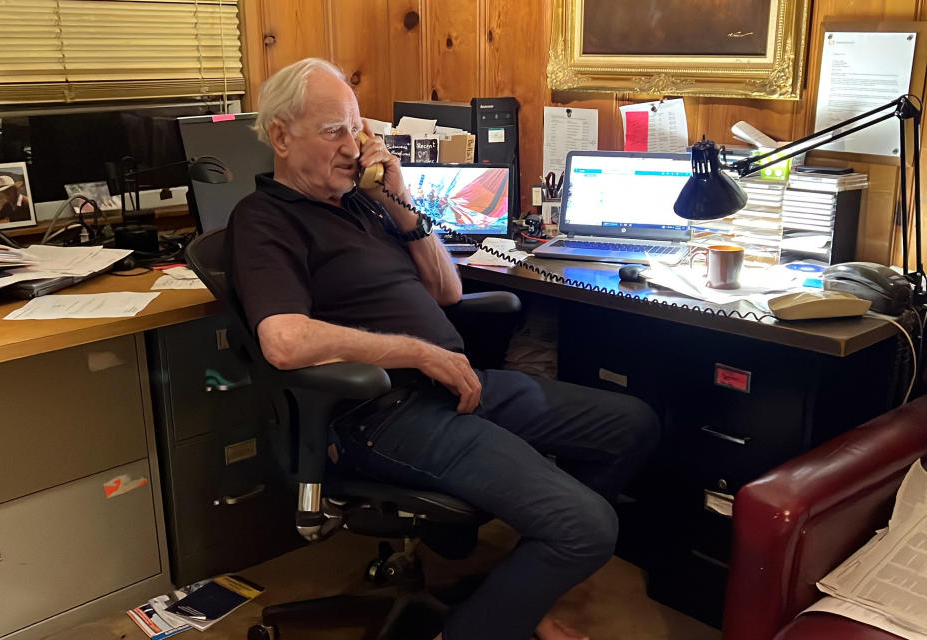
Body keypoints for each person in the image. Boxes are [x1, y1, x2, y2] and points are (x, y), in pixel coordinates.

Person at [226, 57, 660, 640]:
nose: (354, 148)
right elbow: (283, 340)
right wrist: (422, 353)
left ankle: (518, 595)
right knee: (584, 526)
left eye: (357, 129)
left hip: (453, 386)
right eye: (334, 131)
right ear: (280, 135)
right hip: (380, 413)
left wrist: (399, 197)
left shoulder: (362, 202)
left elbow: (447, 290)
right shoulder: (264, 220)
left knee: (631, 424)